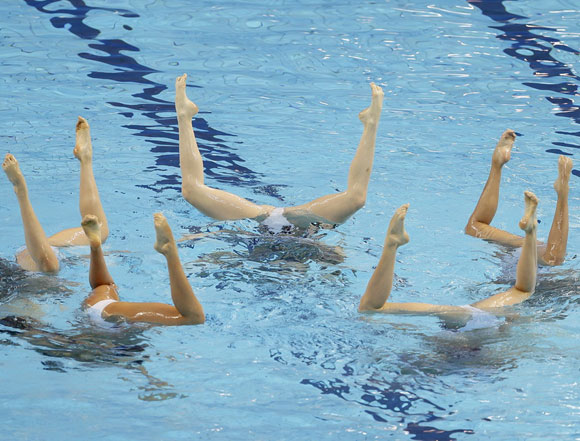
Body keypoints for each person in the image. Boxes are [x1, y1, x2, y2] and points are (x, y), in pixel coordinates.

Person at [175, 73, 384, 229]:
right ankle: (371, 123)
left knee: (191, 191)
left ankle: (184, 116)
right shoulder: (323, 259)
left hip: (258, 218)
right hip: (306, 221)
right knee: (357, 198)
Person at [359, 191, 538, 321]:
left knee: (371, 308)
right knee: (523, 291)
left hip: (471, 321)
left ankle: (392, 245)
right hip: (477, 324)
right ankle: (531, 233)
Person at [2, 117, 108, 273]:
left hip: (30, 258)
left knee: (49, 266)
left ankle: (21, 192)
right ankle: (85, 159)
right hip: (49, 248)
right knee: (101, 230)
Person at [465, 129, 572, 266]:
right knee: (551, 258)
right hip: (526, 267)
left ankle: (497, 166)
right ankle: (562, 195)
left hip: (521, 264)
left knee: (474, 227)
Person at [81, 213, 205, 326]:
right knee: (193, 317)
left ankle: (95, 247)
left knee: (106, 286)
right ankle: (95, 247)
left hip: (101, 315)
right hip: (101, 312)